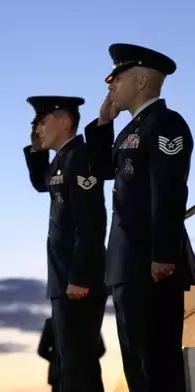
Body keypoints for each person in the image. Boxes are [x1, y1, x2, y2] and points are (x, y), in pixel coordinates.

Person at [84, 43, 194, 392]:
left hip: (152, 265)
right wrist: (102, 125)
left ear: (142, 80)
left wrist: (163, 254)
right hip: (128, 266)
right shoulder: (130, 130)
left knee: (158, 366)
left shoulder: (165, 123)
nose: (111, 86)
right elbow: (102, 170)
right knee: (137, 368)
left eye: (117, 78)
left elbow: (170, 191)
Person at [23, 96, 108, 392]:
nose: (38, 129)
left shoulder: (80, 157)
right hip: (64, 279)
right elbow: (40, 183)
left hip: (78, 281)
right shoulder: (62, 160)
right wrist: (36, 148)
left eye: (43, 122)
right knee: (71, 364)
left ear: (65, 121)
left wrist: (80, 276)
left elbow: (92, 222)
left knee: (79, 365)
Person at [37, 317, 106, 392]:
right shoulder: (90, 320)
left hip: (61, 375)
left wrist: (59, 360)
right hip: (86, 376)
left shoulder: (52, 322)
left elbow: (42, 350)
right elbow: (100, 349)